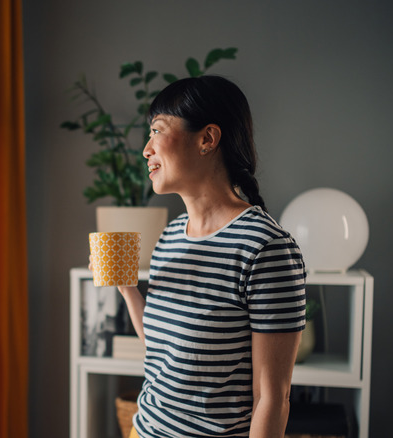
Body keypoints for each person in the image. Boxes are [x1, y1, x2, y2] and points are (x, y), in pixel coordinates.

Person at [116, 75, 306, 437]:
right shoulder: (171, 236)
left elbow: (271, 398)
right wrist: (128, 289)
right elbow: (164, 353)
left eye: (157, 130)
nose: (146, 149)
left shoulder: (265, 249)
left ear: (207, 139)